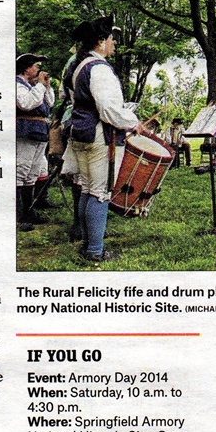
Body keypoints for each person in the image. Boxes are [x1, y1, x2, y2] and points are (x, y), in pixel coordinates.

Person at [68, 16, 143, 264]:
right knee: (100, 192)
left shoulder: (78, 66)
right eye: (111, 39)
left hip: (81, 134)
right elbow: (108, 110)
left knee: (88, 189)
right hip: (98, 136)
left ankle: (87, 243)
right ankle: (95, 251)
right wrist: (133, 122)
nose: (114, 44)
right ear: (100, 42)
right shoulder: (98, 68)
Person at [16, 53, 53, 232]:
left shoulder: (32, 86)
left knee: (32, 172)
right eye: (36, 66)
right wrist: (39, 86)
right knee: (20, 170)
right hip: (25, 131)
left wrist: (46, 86)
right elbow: (27, 104)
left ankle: (29, 212)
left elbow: (49, 104)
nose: (38, 69)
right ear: (26, 68)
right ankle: (17, 215)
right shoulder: (17, 85)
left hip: (39, 133)